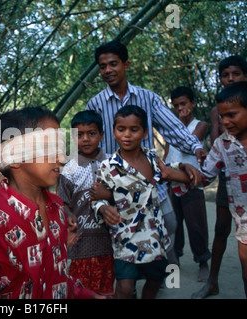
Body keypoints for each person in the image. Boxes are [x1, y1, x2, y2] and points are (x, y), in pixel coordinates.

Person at [0, 107, 98, 299]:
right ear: (14, 157)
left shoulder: (57, 208)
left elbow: (55, 276)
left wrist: (85, 294)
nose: (60, 158)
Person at [85, 40, 207, 267]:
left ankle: (157, 274)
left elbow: (173, 129)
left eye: (113, 64)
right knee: (121, 234)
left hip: (150, 181)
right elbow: (88, 146)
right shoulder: (95, 104)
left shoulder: (148, 98)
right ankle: (129, 284)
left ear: (126, 64)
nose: (108, 70)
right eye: (102, 67)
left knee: (167, 226)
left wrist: (195, 147)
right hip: (116, 186)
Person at [92, 105, 202, 299]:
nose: (127, 135)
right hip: (124, 236)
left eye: (134, 130)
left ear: (144, 133)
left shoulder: (151, 159)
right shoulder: (108, 166)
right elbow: (96, 198)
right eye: (121, 129)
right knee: (125, 287)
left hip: (154, 235)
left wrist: (185, 165)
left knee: (156, 280)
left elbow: (170, 171)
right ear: (114, 131)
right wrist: (103, 208)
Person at [193, 55, 247, 299]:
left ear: (244, 76)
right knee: (222, 229)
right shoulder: (219, 112)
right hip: (229, 176)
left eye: (235, 74)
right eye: (225, 75)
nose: (230, 79)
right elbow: (218, 140)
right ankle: (212, 281)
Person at [57, 110, 114, 297]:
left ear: (102, 135)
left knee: (109, 287)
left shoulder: (112, 163)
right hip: (81, 241)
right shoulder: (70, 168)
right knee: (81, 290)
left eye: (91, 133)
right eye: (79, 135)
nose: (86, 139)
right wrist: (68, 213)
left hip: (110, 241)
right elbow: (63, 201)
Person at [163, 86, 210, 281]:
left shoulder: (201, 124)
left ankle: (203, 262)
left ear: (193, 103)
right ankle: (175, 262)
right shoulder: (169, 130)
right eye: (176, 106)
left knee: (196, 224)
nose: (180, 108)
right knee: (174, 226)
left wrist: (179, 122)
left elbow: (192, 141)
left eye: (184, 104)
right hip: (172, 180)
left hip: (192, 181)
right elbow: (167, 154)